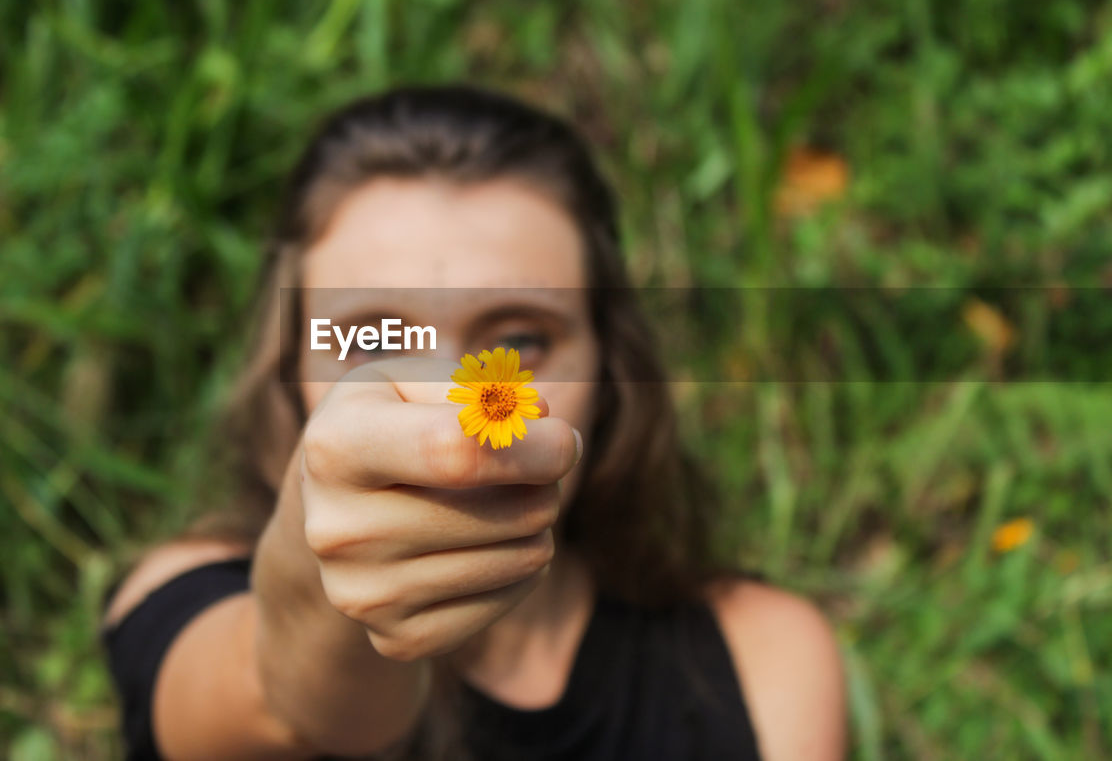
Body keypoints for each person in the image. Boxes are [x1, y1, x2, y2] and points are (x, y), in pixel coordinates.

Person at [100, 84, 848, 760]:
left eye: (518, 340)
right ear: (288, 364)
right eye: (375, 341)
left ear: (611, 365)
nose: (446, 394)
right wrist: (319, 580)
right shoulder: (183, 598)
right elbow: (274, 699)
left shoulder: (760, 658)